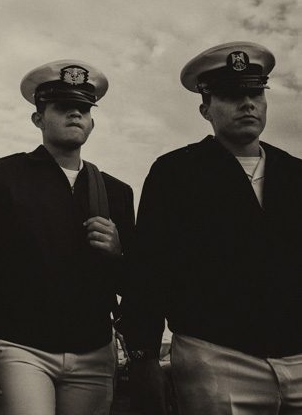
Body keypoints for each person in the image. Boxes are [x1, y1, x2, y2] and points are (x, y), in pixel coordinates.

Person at [121, 41, 302, 415]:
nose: (247, 103)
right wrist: (143, 357)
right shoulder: (176, 172)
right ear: (205, 109)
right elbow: (149, 269)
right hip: (217, 359)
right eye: (232, 95)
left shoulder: (295, 173)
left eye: (255, 93)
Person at [0, 60, 135, 415]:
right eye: (62, 106)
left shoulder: (116, 192)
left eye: (83, 108)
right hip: (21, 347)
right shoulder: (2, 177)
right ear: (38, 119)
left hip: (93, 351)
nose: (75, 113)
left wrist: (118, 253)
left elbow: (134, 283)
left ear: (92, 122)